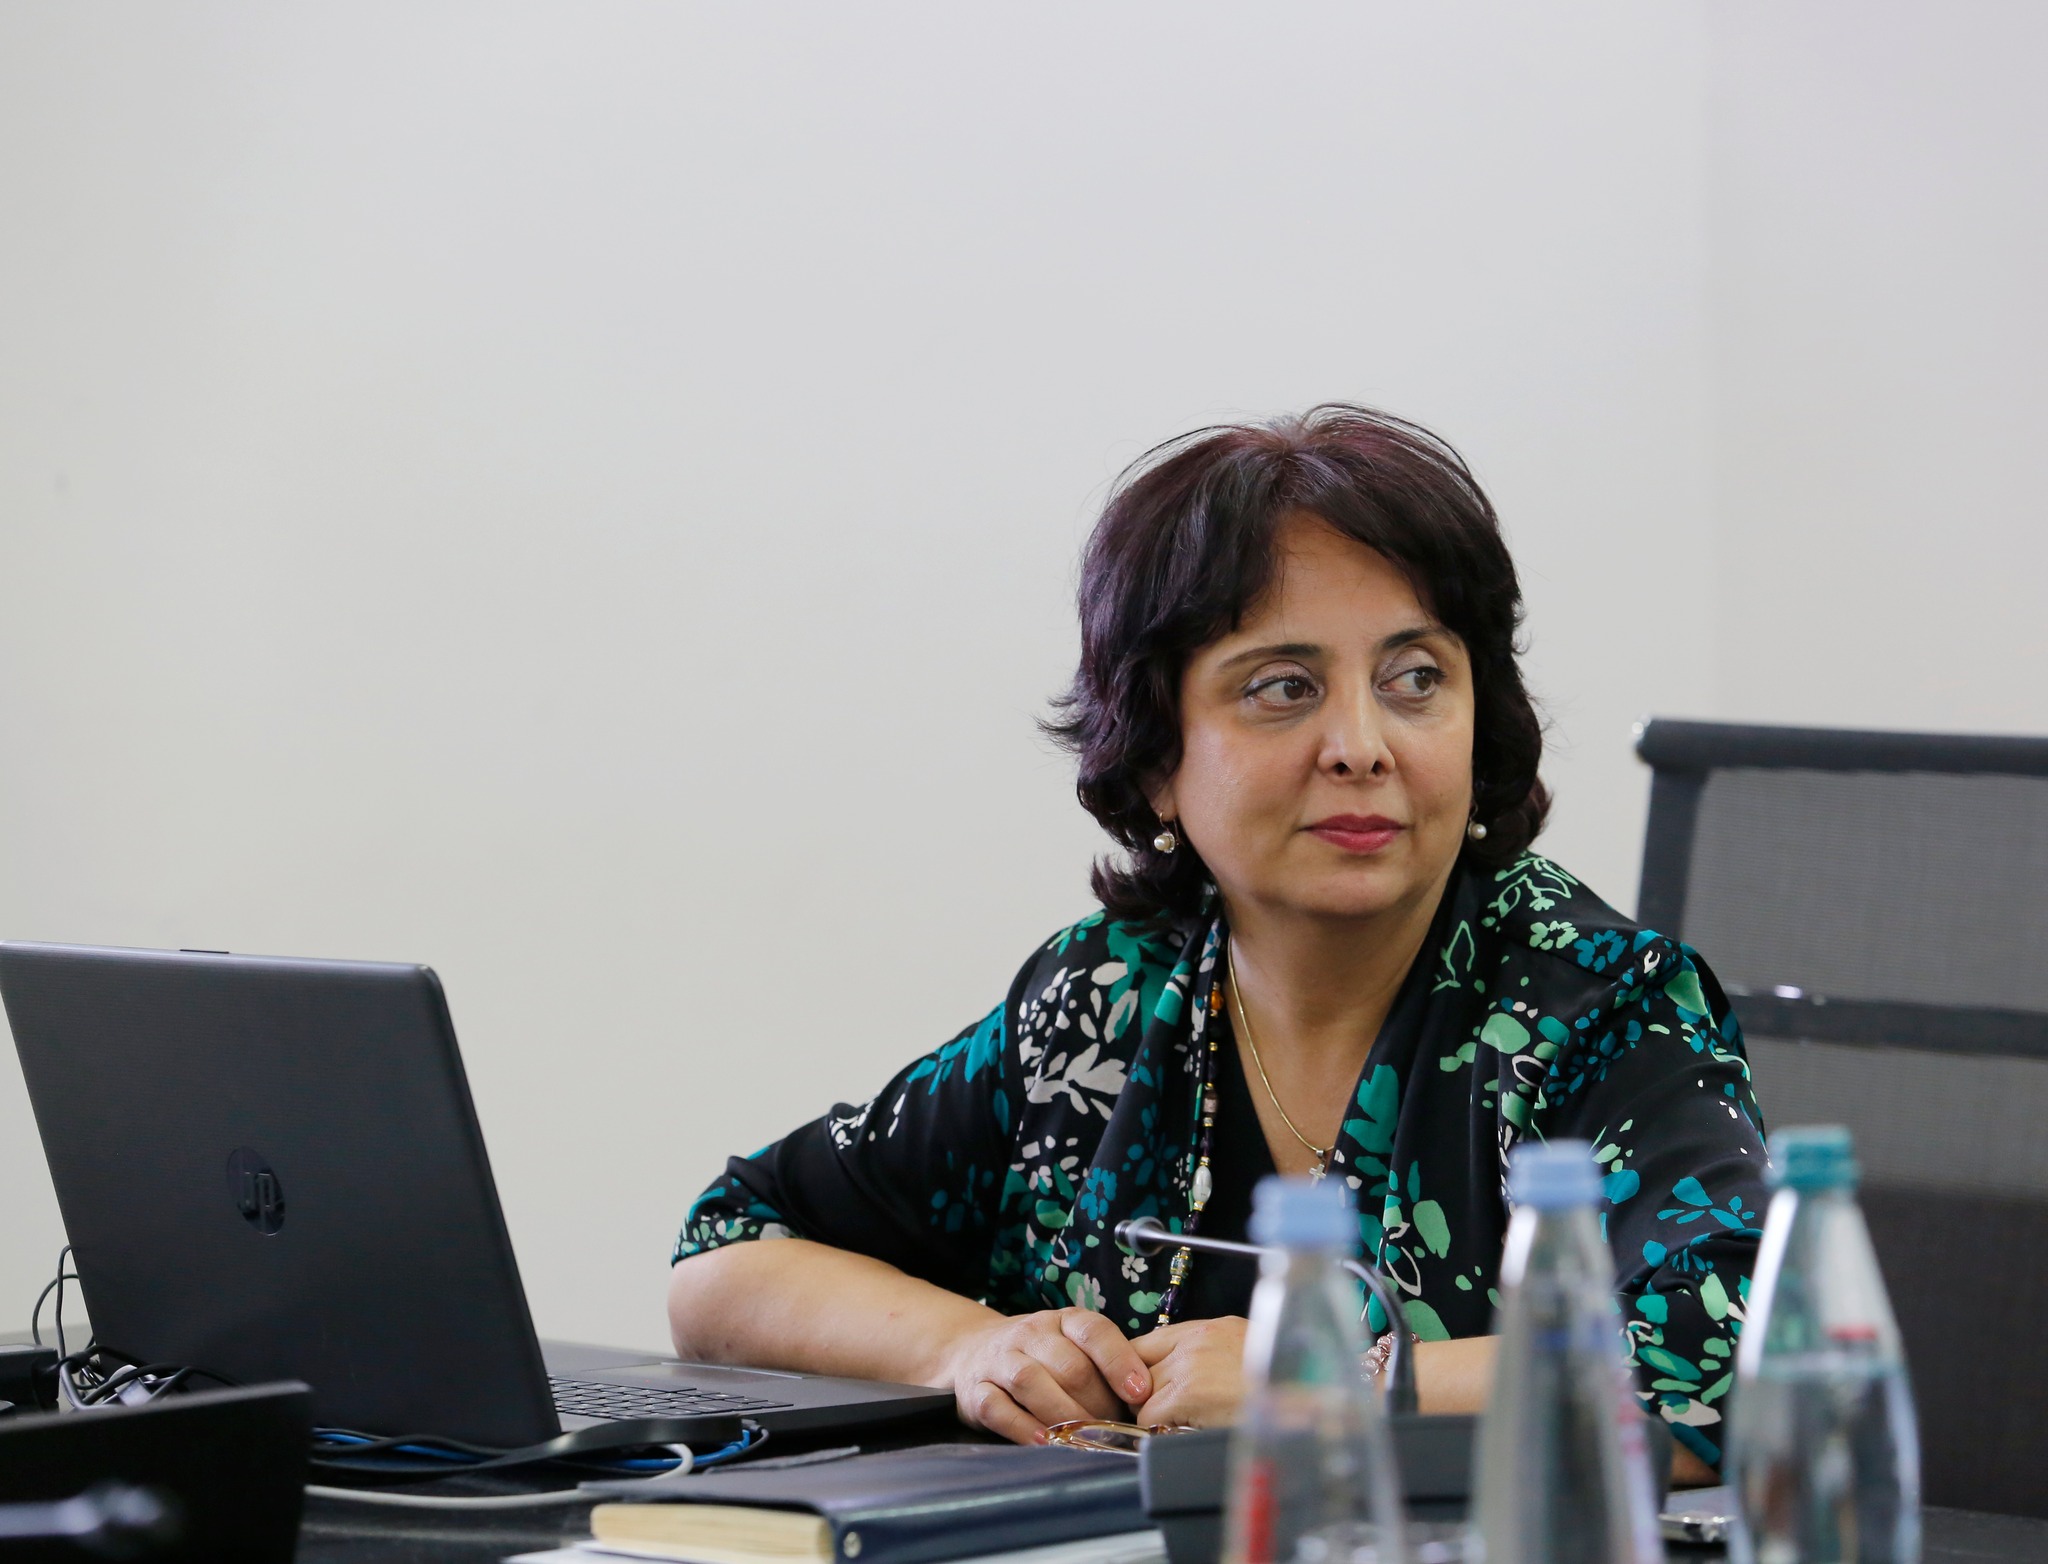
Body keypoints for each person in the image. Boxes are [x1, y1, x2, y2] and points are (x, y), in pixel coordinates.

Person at [666, 406, 1765, 1479]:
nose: (1361, 745)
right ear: (1156, 757)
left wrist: (1327, 1378)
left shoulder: (1601, 1004)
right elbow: (730, 1254)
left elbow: (1733, 1366)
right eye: (1283, 688)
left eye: (1415, 678)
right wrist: (968, 1348)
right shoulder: (1102, 999)